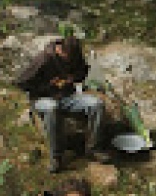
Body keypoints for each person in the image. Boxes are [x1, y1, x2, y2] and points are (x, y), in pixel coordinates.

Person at [14, 31, 106, 173]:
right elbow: (21, 83)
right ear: (60, 50)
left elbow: (83, 72)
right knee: (52, 108)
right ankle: (56, 157)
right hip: (42, 98)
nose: (69, 61)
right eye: (67, 58)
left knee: (97, 104)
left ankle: (93, 148)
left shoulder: (75, 55)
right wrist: (48, 86)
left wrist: (72, 77)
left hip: (67, 96)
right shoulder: (44, 59)